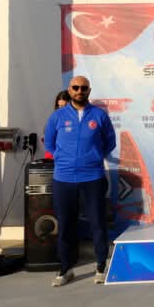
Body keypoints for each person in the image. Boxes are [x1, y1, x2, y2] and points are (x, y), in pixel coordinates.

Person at [44, 76, 116, 286]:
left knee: (98, 223)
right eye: (75, 87)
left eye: (83, 88)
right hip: (63, 179)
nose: (79, 91)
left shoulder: (99, 116)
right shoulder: (57, 116)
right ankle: (65, 269)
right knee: (66, 225)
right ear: (69, 90)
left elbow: (110, 142)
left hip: (92, 177)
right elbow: (49, 144)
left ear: (89, 91)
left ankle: (101, 266)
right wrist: (63, 159)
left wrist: (93, 158)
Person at [43, 91, 72, 159]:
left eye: (65, 106)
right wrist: (57, 156)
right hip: (56, 158)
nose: (61, 109)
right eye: (60, 106)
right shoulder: (54, 119)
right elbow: (48, 144)